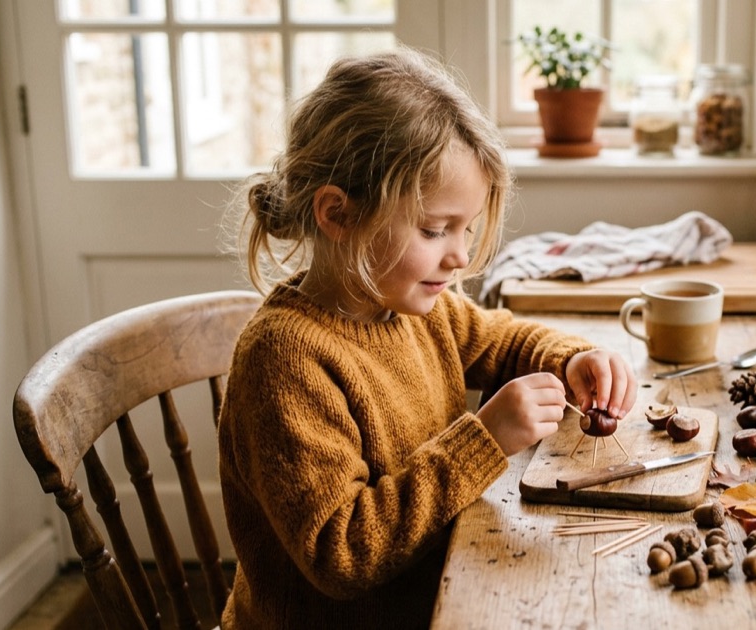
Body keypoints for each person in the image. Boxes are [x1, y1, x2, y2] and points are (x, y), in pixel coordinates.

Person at [217, 49, 637, 628]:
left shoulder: (410, 305)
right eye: (435, 229)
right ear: (337, 214)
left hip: (438, 594)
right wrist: (484, 439)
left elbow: (500, 340)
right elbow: (342, 553)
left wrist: (569, 360)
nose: (460, 255)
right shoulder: (285, 360)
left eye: (464, 229)